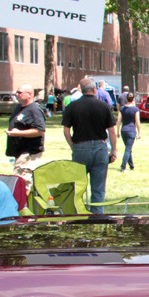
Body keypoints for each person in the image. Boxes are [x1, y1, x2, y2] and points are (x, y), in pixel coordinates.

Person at [62, 78, 117, 214]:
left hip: (80, 147)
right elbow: (111, 131)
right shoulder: (104, 106)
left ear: (80, 89)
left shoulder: (72, 107)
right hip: (100, 147)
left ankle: (77, 213)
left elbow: (66, 130)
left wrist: (72, 145)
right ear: (94, 90)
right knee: (98, 187)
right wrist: (114, 150)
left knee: (77, 185)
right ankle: (97, 216)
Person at [5, 83, 46, 163]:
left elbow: (40, 131)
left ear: (29, 94)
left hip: (29, 153)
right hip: (19, 152)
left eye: (19, 92)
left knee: (23, 175)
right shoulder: (19, 107)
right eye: (16, 93)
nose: (17, 94)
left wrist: (18, 133)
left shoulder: (34, 110)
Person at [118, 92, 141, 172]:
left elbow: (119, 120)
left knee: (128, 148)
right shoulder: (135, 109)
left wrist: (117, 131)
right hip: (131, 130)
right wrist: (139, 132)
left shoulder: (122, 109)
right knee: (128, 149)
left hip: (123, 130)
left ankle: (131, 166)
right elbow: (137, 121)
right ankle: (123, 167)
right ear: (133, 99)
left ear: (126, 99)